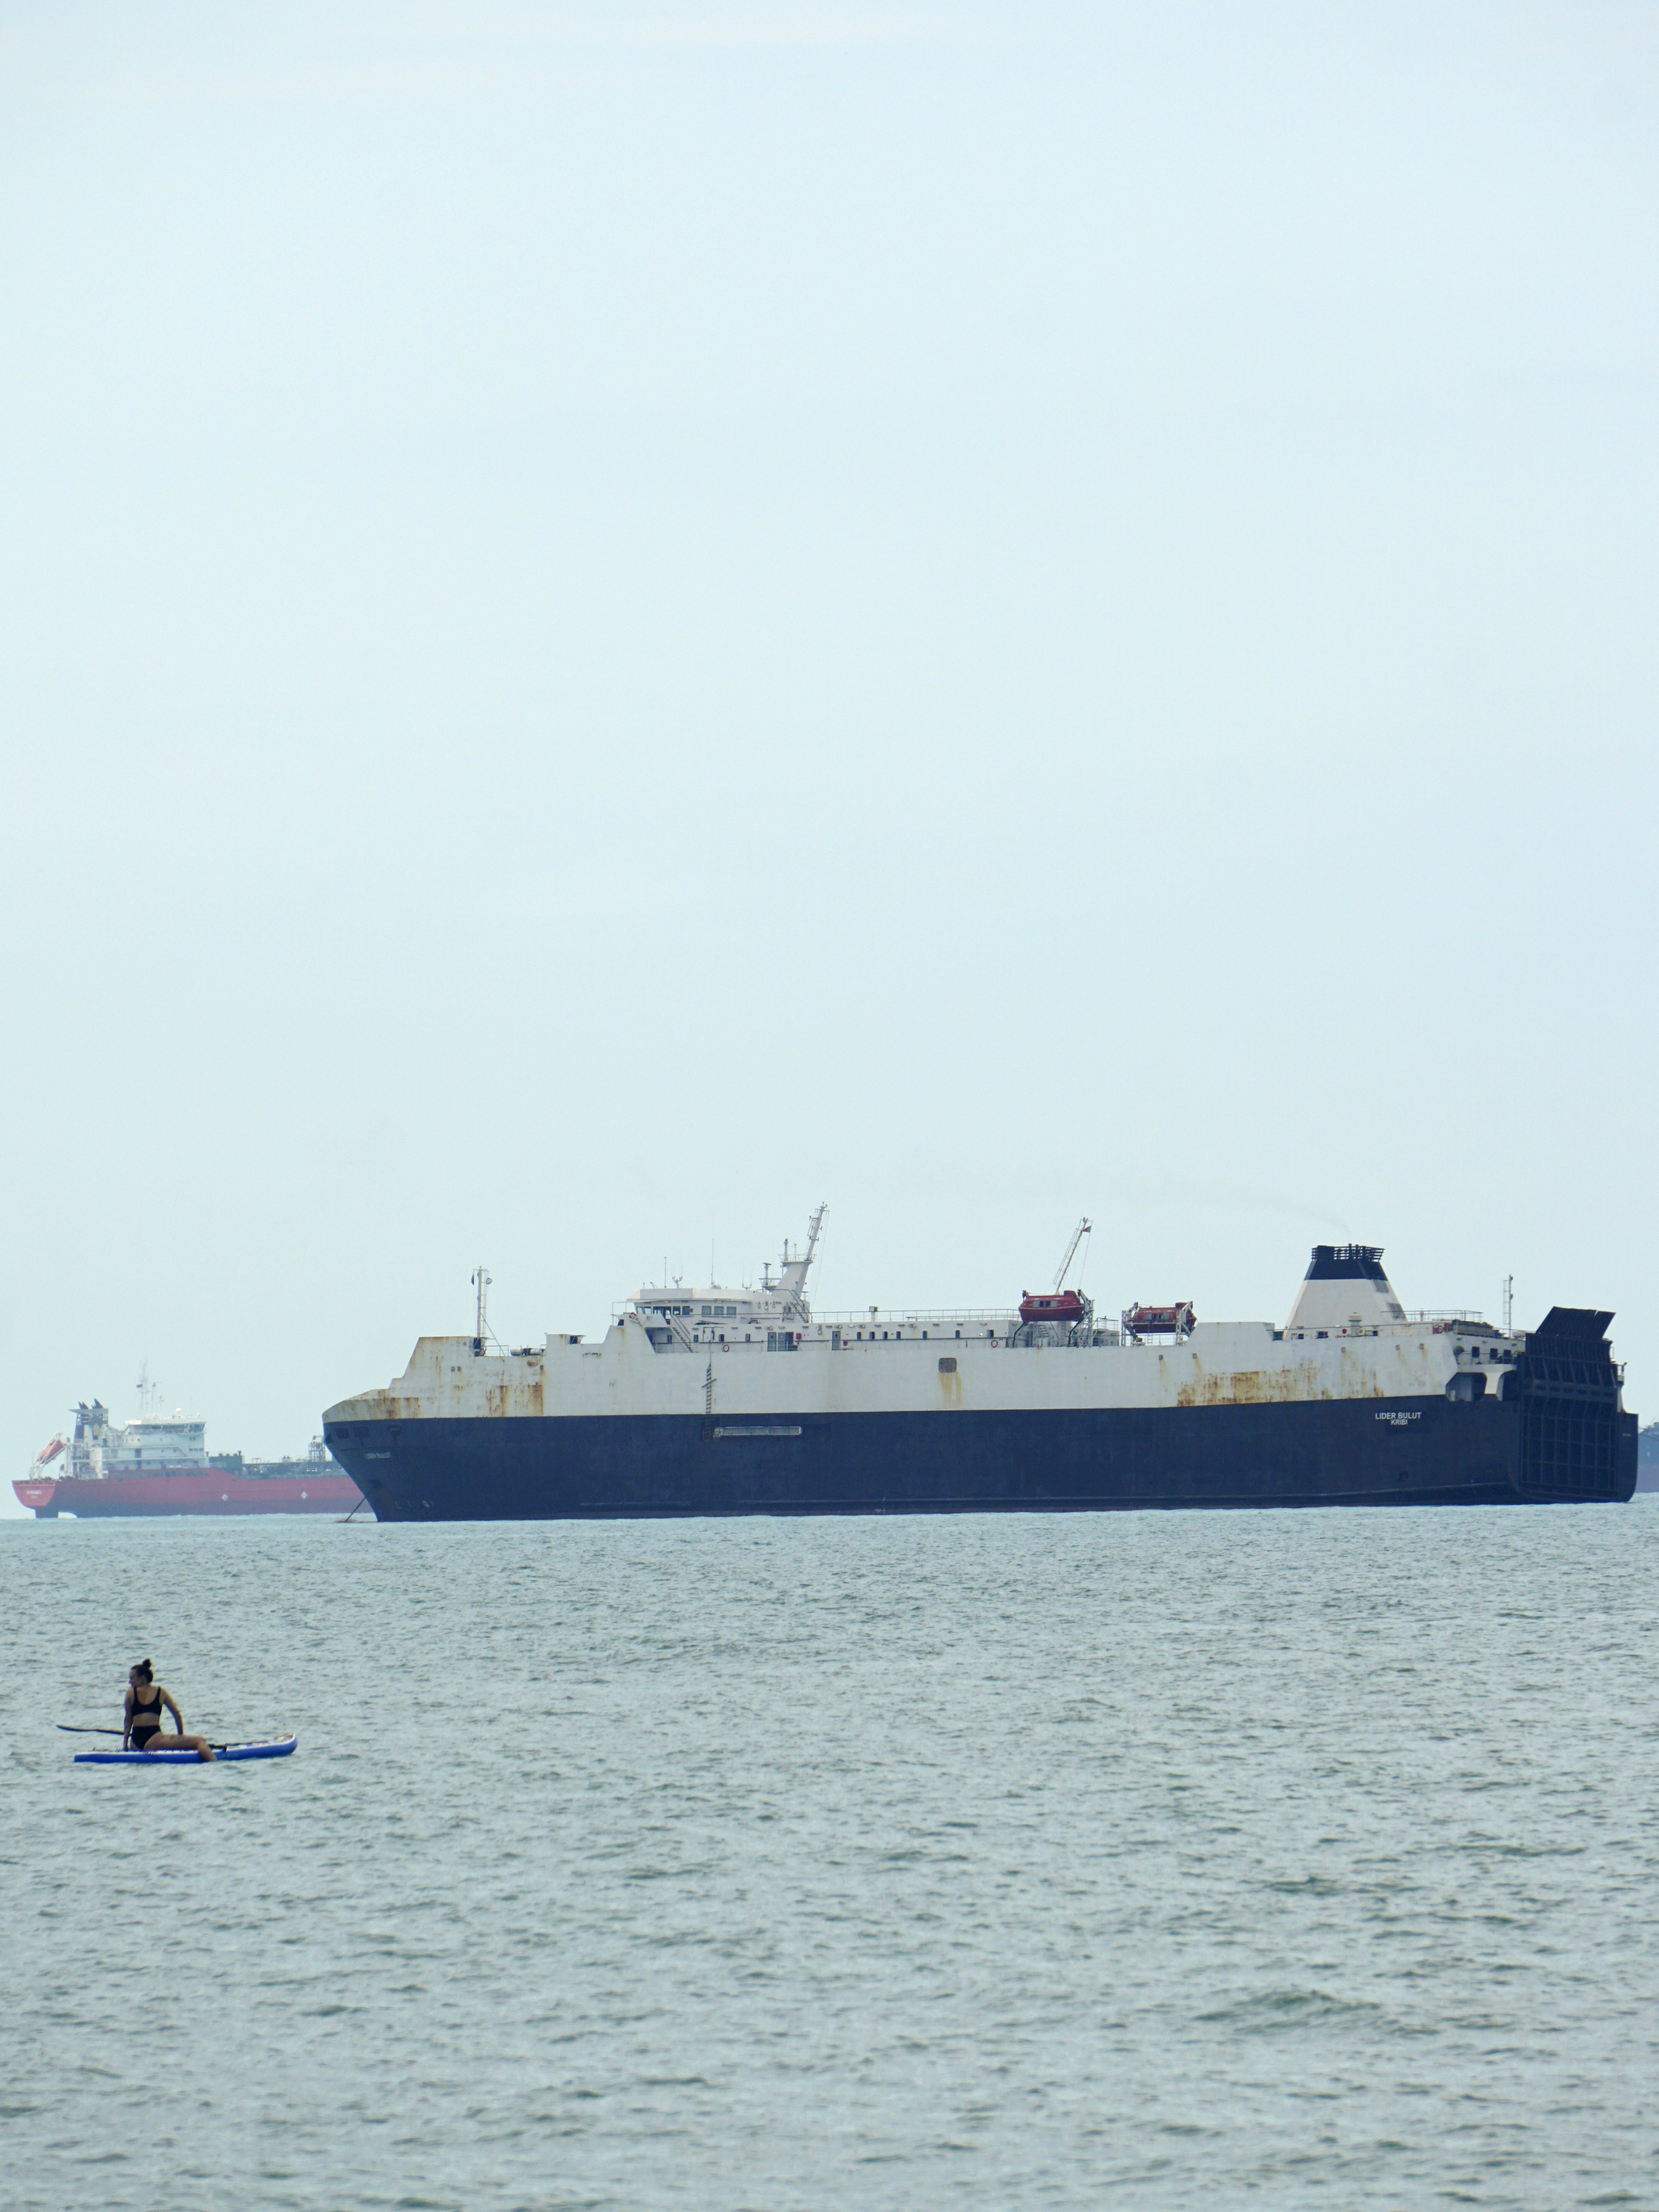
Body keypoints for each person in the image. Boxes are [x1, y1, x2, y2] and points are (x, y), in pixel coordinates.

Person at [124, 1659, 216, 1760]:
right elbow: (177, 1715)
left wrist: (125, 1745)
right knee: (199, 1740)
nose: (130, 1681)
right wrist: (180, 1738)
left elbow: (128, 1721)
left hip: (135, 1743)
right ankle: (215, 1764)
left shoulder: (129, 1693)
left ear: (142, 1678)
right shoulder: (160, 1691)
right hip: (154, 1740)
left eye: (132, 1678)